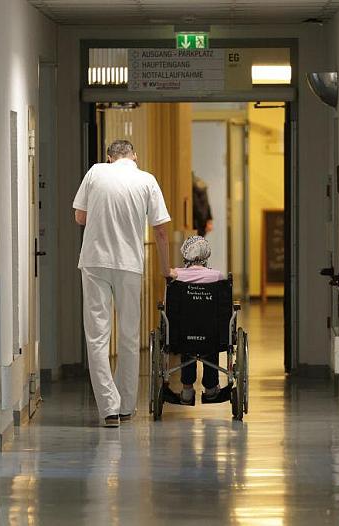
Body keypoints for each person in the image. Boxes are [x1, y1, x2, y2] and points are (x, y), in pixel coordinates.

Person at [73, 139, 175, 428]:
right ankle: (127, 405)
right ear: (135, 156)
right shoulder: (146, 180)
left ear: (109, 158)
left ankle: (109, 408)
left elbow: (80, 217)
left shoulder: (95, 172)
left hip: (94, 262)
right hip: (129, 264)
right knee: (129, 336)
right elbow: (161, 230)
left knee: (97, 337)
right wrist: (166, 269)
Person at [173, 236, 231, 405]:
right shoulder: (217, 277)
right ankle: (212, 388)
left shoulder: (176, 277)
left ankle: (187, 389)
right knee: (209, 337)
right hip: (211, 334)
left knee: (186, 337)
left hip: (183, 334)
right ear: (207, 255)